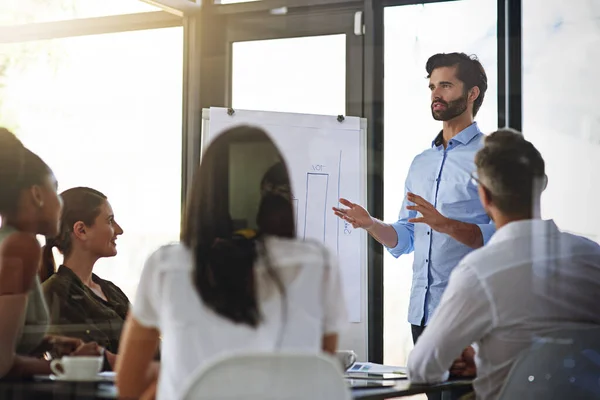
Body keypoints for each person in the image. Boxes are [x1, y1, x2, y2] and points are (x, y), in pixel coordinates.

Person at [115, 126, 347, 400]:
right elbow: (314, 373)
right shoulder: (319, 265)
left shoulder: (166, 267)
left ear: (203, 193)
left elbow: (127, 386)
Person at [407, 129, 600, 400]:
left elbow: (421, 369)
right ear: (542, 185)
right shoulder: (591, 257)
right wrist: (491, 361)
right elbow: (558, 355)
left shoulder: (479, 272)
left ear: (484, 196)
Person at [333, 52, 495, 345]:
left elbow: (503, 237)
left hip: (471, 313)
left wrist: (446, 225)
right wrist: (371, 224)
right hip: (422, 315)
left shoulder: (492, 156)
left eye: (446, 85)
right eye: (432, 87)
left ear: (472, 93)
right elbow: (407, 236)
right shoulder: (421, 163)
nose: (436, 94)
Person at [0, 128, 101, 378]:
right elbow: (1, 363)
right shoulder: (21, 247)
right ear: (37, 195)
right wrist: (70, 367)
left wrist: (47, 343)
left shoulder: (10, 242)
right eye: (55, 190)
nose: (61, 202)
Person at [41, 187, 127, 368]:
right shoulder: (57, 293)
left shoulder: (111, 290)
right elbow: (93, 361)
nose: (119, 230)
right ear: (81, 230)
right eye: (110, 221)